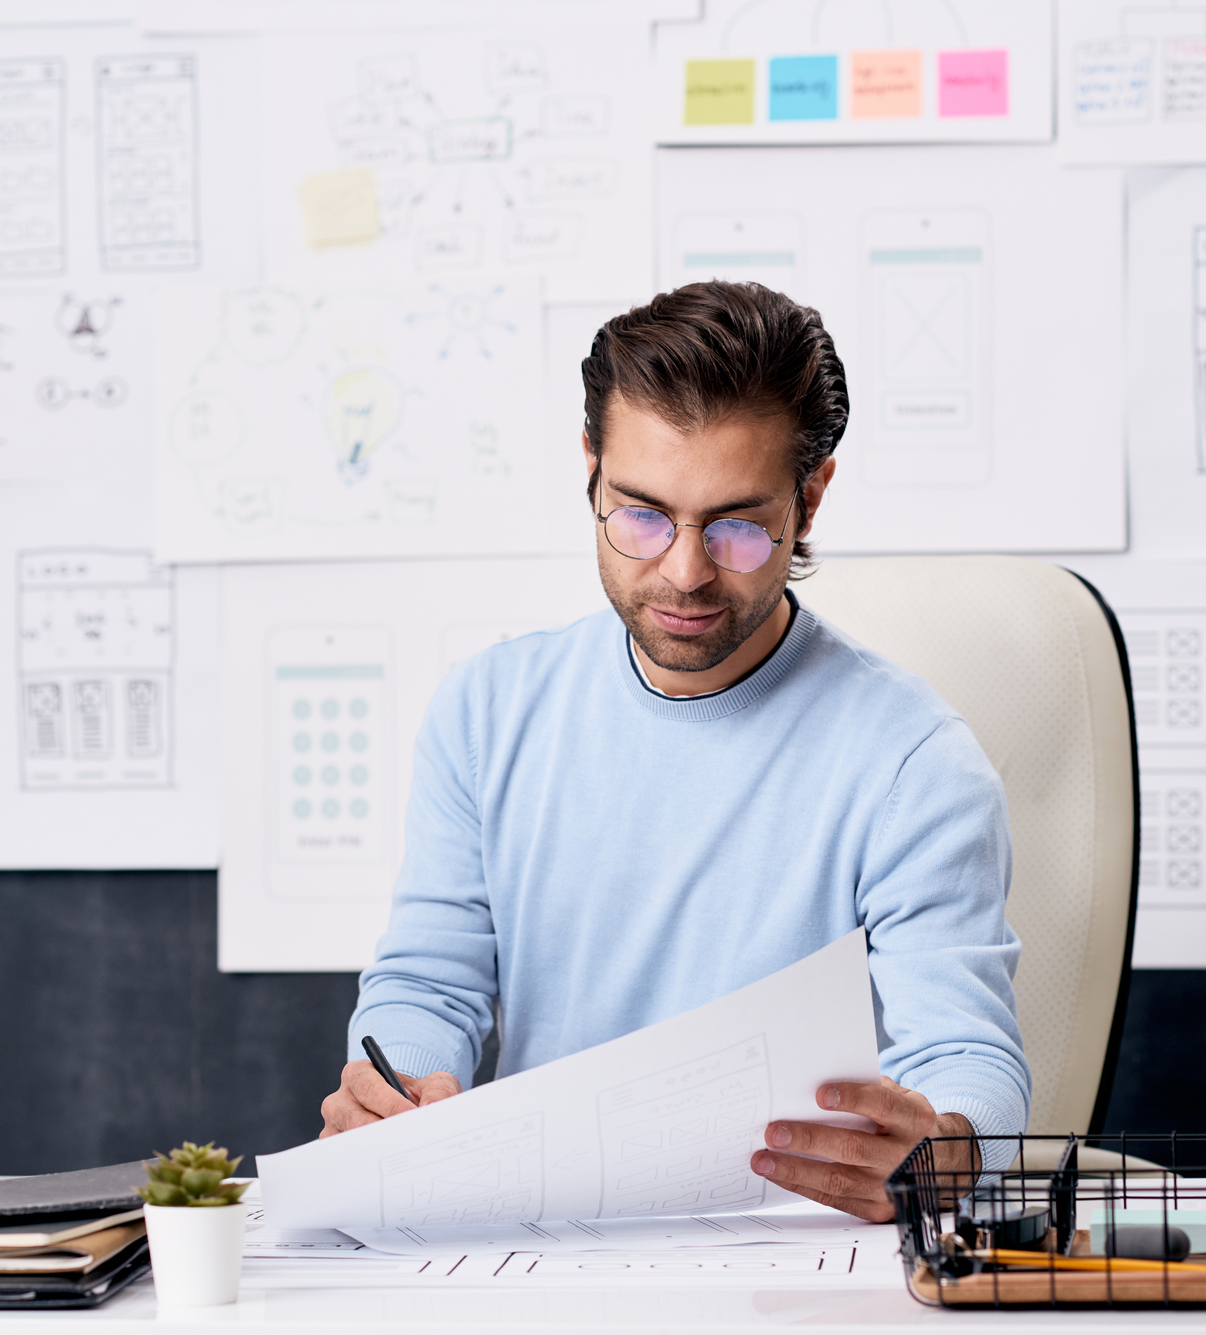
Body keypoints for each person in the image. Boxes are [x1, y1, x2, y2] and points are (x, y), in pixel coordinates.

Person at [318, 281, 1028, 1221]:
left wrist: (950, 1144)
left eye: (736, 524)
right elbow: (429, 982)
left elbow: (966, 1054)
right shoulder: (487, 714)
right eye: (642, 513)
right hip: (542, 1246)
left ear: (809, 498)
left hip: (793, 1261)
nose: (685, 570)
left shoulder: (915, 766)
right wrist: (397, 1088)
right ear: (590, 468)